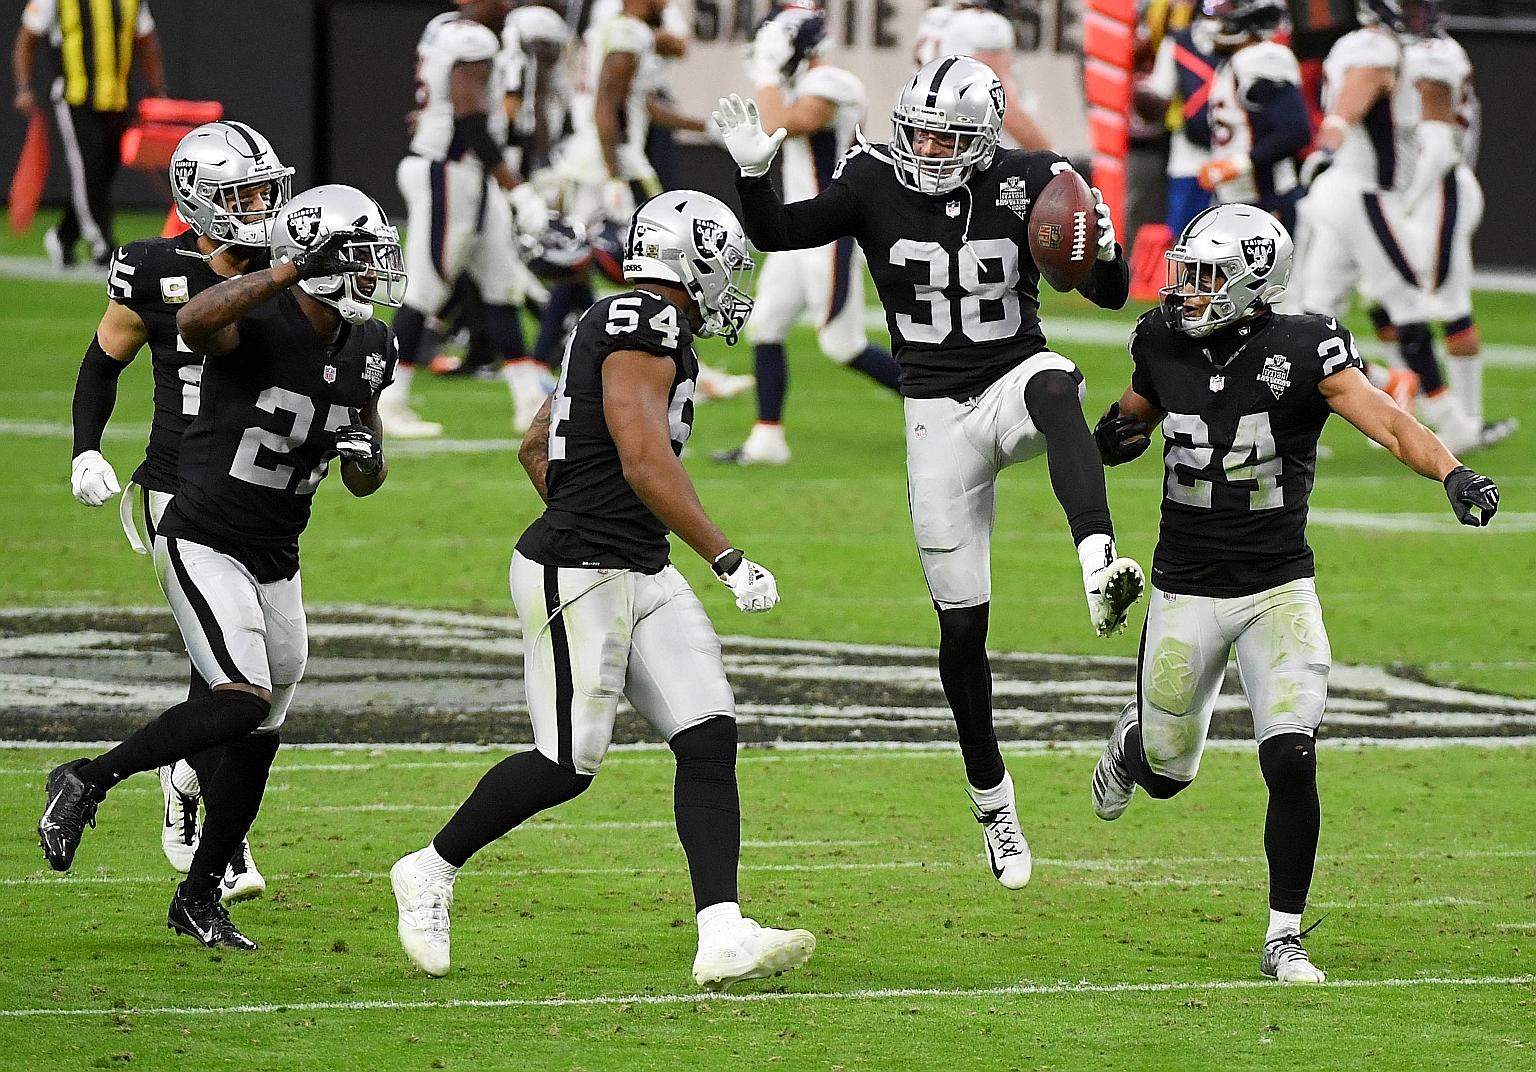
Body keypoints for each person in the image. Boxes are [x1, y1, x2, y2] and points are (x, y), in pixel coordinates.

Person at [713, 58, 1146, 891]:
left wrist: (1095, 242)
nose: (929, 147)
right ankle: (995, 806)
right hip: (934, 413)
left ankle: (1098, 564)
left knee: (1058, 386)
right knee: (961, 633)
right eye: (918, 130)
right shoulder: (873, 175)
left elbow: (1112, 290)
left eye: (948, 135)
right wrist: (754, 173)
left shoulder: (1032, 179)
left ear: (985, 136)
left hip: (1011, 376)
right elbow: (777, 234)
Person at [390, 190, 817, 991]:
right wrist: (724, 557)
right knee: (565, 766)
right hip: (582, 570)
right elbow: (643, 459)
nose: (732, 278)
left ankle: (720, 933)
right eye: (723, 260)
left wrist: (600, 513)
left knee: (706, 735)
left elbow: (533, 442)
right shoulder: (643, 324)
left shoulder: (625, 320)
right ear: (690, 260)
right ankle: (430, 868)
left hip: (636, 563)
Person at [1089, 203, 1500, 983]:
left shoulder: (1304, 347)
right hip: (1186, 587)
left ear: (1253, 283)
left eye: (1208, 278)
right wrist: (1113, 436)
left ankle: (1284, 933)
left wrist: (1452, 470)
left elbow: (1387, 421)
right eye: (1188, 274)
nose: (1189, 292)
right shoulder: (1160, 338)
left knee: (1291, 755)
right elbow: (1132, 415)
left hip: (1278, 585)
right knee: (1169, 773)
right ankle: (1132, 747)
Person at [39, 185, 406, 950]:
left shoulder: (371, 344)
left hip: (278, 550)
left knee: (260, 731)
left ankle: (198, 895)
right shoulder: (253, 316)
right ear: (318, 261)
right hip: (205, 533)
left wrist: (369, 459)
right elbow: (196, 322)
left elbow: (367, 473)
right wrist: (281, 272)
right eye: (361, 259)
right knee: (240, 700)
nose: (376, 275)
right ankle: (88, 777)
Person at [68, 121, 295, 904]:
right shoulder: (154, 270)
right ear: (198, 202)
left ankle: (187, 779)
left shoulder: (287, 267)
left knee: (254, 676)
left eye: (267, 189)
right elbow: (104, 361)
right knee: (232, 676)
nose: (263, 206)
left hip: (261, 492)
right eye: (244, 195)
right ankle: (209, 838)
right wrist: (84, 447)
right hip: (181, 487)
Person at [1294, 0, 1500, 453]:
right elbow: (1358, 95)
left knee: (1312, 320)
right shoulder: (1377, 49)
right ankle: (1442, 414)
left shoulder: (1371, 45)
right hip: (1370, 195)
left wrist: (1328, 150)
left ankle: (1390, 396)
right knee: (1404, 305)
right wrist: (1330, 146)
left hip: (1353, 193)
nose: (1419, 13)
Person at [712, 6, 901, 466]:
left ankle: (947, 404)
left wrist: (766, 74)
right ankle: (767, 440)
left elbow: (781, 125)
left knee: (842, 343)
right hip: (797, 227)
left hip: (833, 230)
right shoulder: (801, 86)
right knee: (766, 324)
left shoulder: (832, 84)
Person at [388, 0, 548, 438]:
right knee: (427, 288)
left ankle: (528, 401)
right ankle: (387, 401)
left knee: (502, 284)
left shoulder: (443, 26)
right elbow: (471, 122)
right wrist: (520, 189)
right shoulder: (471, 39)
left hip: (465, 172)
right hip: (450, 171)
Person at [1361, 25, 1515, 451]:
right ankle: (1406, 402)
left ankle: (1466, 421)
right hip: (1413, 191)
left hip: (1438, 189)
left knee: (1445, 303)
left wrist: (1407, 201)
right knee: (1379, 294)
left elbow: (1440, 145)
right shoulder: (1389, 50)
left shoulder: (1433, 54)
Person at [10, 0, 166, 267]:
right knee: (88, 169)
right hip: (75, 97)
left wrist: (157, 89)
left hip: (118, 99)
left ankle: (64, 235)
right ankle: (102, 246)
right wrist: (23, 86)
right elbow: (27, 38)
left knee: (100, 175)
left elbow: (146, 39)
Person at [1196, 0, 1311, 232]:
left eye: (1225, 15)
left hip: (1269, 200)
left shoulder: (1261, 58)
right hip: (1236, 201)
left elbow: (1296, 131)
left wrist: (1238, 165)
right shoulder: (1231, 63)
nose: (1215, 23)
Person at [911, 0, 1051, 151]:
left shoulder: (935, 18)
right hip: (971, 146)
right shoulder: (988, 27)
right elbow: (1005, 109)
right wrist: (1051, 157)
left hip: (926, 136)